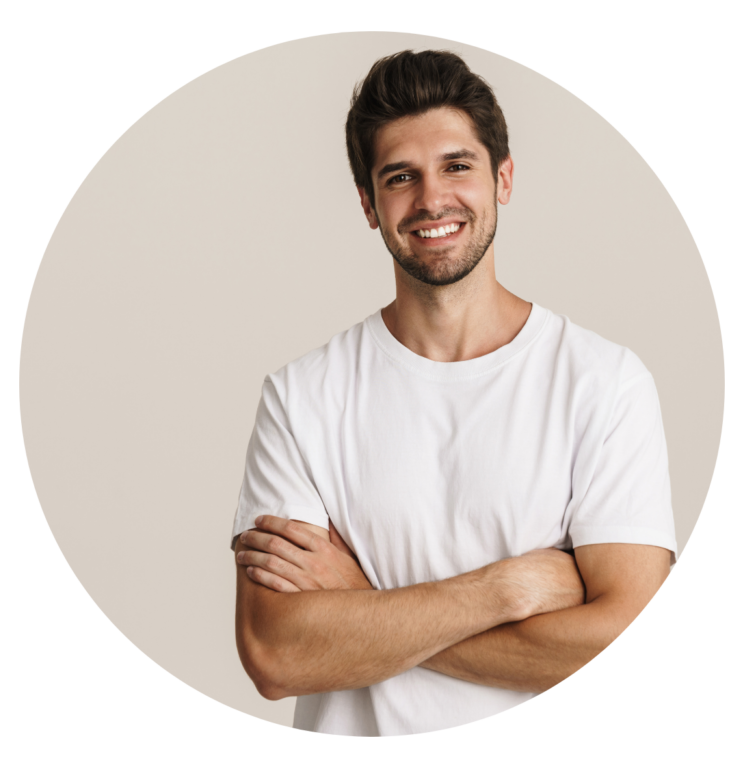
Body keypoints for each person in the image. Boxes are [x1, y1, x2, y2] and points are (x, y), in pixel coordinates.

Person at [230, 49, 677, 737]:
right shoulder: (302, 398)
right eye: (400, 177)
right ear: (369, 205)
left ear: (503, 178)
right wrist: (508, 589)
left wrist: (364, 603)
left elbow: (630, 647)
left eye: (457, 166)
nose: (432, 199)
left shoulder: (604, 384)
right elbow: (276, 654)